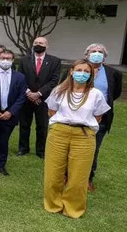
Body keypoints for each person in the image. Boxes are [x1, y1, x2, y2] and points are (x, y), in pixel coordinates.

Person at [44, 60, 110, 219]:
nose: (82, 73)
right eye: (79, 69)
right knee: (54, 171)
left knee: (79, 174)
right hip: (59, 132)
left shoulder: (96, 94)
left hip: (84, 135)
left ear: (90, 74)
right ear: (72, 71)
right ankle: (53, 204)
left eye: (86, 71)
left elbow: (98, 116)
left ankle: (73, 208)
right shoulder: (59, 91)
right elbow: (52, 111)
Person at [84, 43, 122, 191]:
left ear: (105, 56)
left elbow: (115, 94)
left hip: (100, 119)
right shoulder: (76, 69)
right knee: (73, 147)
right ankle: (68, 175)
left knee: (93, 148)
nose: (97, 53)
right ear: (87, 54)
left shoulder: (113, 73)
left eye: (100, 52)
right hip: (76, 116)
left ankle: (88, 178)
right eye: (94, 51)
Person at [17, 37, 61, 158]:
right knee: (24, 124)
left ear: (47, 46)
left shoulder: (55, 61)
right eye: (36, 43)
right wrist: (29, 93)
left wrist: (39, 93)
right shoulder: (24, 60)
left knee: (42, 126)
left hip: (44, 99)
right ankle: (23, 148)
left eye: (41, 43)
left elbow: (54, 80)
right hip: (26, 98)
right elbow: (20, 78)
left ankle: (41, 151)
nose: (38, 44)